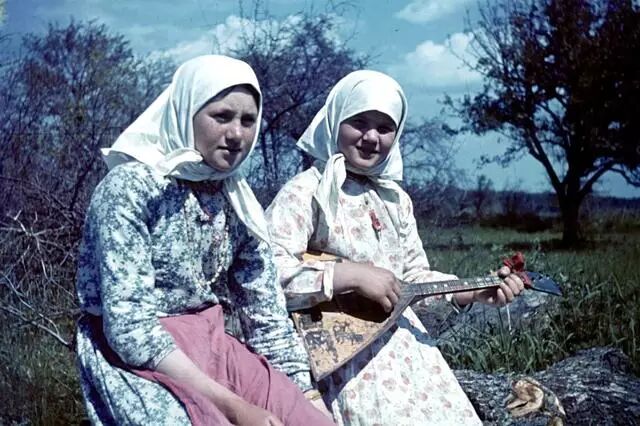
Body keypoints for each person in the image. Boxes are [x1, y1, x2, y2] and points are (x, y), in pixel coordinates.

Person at [75, 55, 334, 426]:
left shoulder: (237, 200)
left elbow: (266, 317)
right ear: (187, 112)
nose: (237, 134)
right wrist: (235, 407)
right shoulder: (131, 187)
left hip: (211, 345)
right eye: (222, 116)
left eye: (248, 120)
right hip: (140, 358)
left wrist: (304, 397)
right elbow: (129, 329)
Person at [265, 70, 525, 425]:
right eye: (359, 122)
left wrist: (473, 292)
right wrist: (349, 275)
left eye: (385, 128)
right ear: (335, 119)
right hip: (342, 355)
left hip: (406, 351)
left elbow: (413, 277)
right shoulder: (305, 191)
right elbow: (269, 272)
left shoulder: (395, 200)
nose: (371, 137)